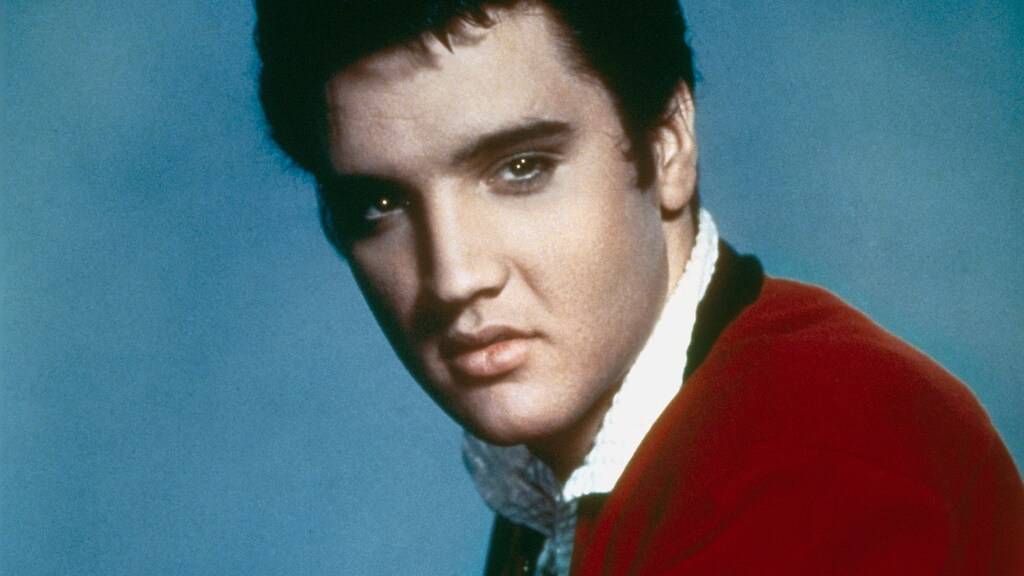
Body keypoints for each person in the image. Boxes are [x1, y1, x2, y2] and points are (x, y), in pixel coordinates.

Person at [253, 1, 1023, 574]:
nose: (454, 277)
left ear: (668, 145)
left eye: (521, 168)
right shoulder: (576, 473)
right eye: (379, 203)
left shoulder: (816, 456)